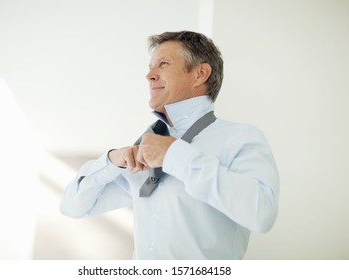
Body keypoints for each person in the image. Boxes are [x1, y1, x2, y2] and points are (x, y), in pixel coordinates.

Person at [60, 31, 279, 259]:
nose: (149, 76)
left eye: (163, 64)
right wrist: (112, 160)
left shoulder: (241, 138)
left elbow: (261, 213)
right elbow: (72, 206)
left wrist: (174, 155)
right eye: (150, 67)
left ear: (200, 74)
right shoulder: (146, 145)